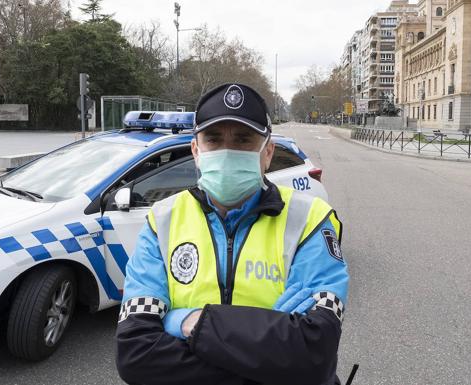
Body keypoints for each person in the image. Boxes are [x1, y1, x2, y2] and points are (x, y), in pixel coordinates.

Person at [115, 83, 349, 385]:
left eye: (243, 140)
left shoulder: (311, 220)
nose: (227, 152)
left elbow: (314, 354)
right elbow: (135, 355)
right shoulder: (162, 221)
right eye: (214, 140)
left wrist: (187, 321)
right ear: (196, 151)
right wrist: (268, 348)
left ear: (267, 153)